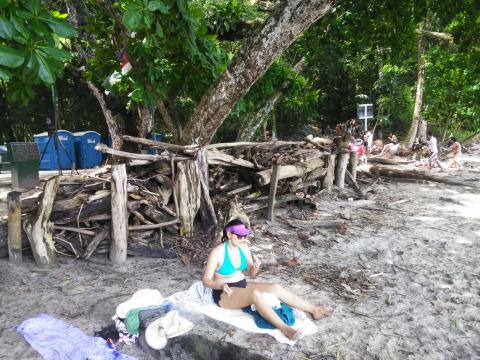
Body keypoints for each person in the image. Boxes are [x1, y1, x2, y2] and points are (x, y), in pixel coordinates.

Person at [202, 219, 330, 340]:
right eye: (240, 236)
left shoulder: (243, 247)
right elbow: (206, 280)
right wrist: (221, 286)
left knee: (274, 287)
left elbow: (251, 274)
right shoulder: (217, 252)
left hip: (241, 284)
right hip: (224, 293)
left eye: (245, 236)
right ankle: (286, 329)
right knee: (255, 295)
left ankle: (315, 309)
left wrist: (255, 267)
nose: (243, 239)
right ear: (229, 234)